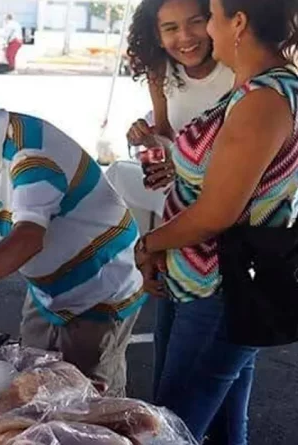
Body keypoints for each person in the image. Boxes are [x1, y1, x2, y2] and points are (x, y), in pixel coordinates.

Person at [0, 73, 146, 396]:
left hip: (99, 291)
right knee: (32, 386)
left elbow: (29, 237)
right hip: (46, 293)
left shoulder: (29, 152)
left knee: (86, 405)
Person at [134, 0, 298, 442]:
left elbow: (216, 214)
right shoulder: (252, 88)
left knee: (170, 425)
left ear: (238, 22)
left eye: (210, 15)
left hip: (222, 287)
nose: (206, 28)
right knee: (221, 424)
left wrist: (149, 244)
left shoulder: (264, 99)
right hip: (198, 279)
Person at [126, 0, 234, 188]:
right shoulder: (159, 72)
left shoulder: (236, 67)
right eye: (170, 28)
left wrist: (184, 168)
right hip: (189, 191)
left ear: (212, 21)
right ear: (158, 37)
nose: (185, 37)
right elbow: (166, 137)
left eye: (195, 22)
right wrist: (146, 139)